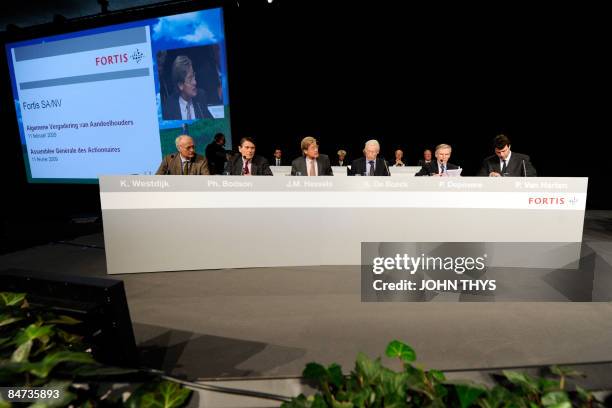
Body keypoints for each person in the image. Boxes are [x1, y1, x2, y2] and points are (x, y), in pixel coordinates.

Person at [162, 55, 213, 120]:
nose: (195, 82)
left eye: (194, 76)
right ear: (180, 85)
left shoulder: (200, 97)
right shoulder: (169, 107)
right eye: (190, 79)